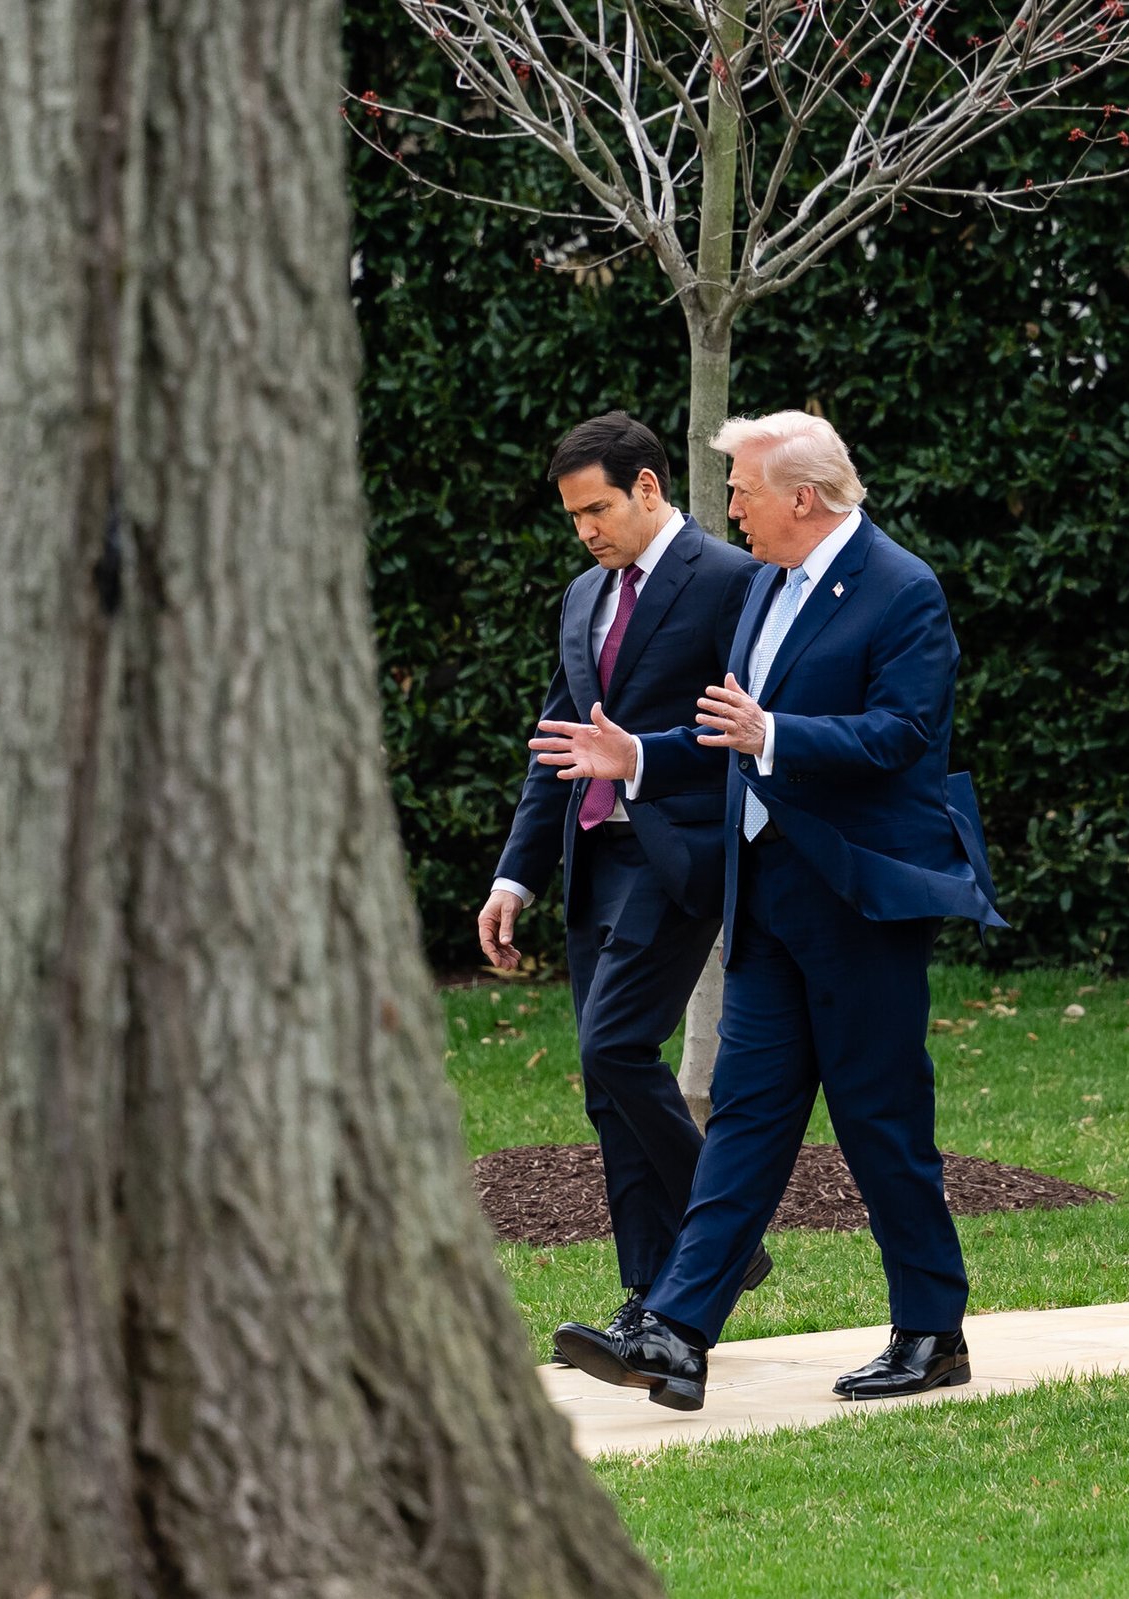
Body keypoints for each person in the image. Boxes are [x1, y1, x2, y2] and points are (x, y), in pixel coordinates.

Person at [531, 410, 1006, 1410]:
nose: (731, 507)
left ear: (802, 496)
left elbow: (902, 735)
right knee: (744, 1121)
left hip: (858, 900)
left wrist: (775, 733)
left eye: (742, 490)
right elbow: (727, 737)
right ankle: (675, 1331)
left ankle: (932, 1331)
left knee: (880, 1120)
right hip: (766, 897)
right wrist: (638, 756)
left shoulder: (900, 588)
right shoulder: (765, 589)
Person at [478, 411, 765, 1344]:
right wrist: (515, 878)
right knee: (608, 1086)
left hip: (679, 855)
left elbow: (745, 731)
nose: (586, 530)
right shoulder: (581, 597)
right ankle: (647, 1296)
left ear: (648, 486)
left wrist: (644, 762)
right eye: (572, 516)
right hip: (593, 859)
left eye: (597, 509)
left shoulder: (729, 579)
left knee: (613, 1046)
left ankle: (727, 1232)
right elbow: (557, 745)